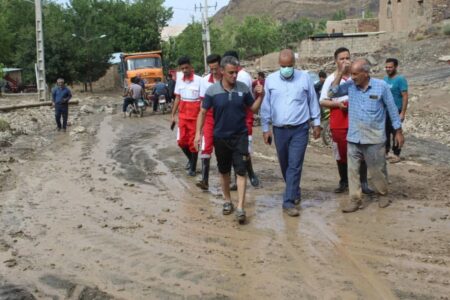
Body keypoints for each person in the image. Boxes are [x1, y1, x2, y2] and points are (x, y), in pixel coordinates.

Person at [194, 55, 264, 224]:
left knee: (241, 171)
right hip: (220, 138)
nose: (234, 76)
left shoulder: (243, 89)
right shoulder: (212, 91)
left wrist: (261, 96)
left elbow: (253, 109)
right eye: (231, 72)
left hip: (240, 136)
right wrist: (198, 134)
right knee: (224, 171)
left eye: (236, 72)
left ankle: (240, 207)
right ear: (222, 72)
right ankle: (227, 201)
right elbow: (203, 112)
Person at [329, 58, 404, 213]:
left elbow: (391, 109)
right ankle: (355, 200)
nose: (353, 77)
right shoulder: (350, 86)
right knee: (353, 171)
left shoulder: (381, 86)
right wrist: (341, 73)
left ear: (366, 73)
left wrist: (398, 131)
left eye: (355, 74)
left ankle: (383, 194)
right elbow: (332, 92)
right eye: (351, 74)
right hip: (354, 137)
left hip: (374, 138)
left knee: (378, 170)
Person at [260, 49, 322, 217]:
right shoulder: (271, 80)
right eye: (283, 66)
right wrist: (265, 128)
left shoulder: (304, 78)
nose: (286, 69)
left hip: (300, 129)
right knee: (285, 165)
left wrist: (316, 123)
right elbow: (266, 106)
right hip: (279, 130)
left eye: (289, 66)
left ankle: (288, 202)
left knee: (295, 164)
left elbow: (312, 101)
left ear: (294, 65)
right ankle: (294, 190)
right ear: (279, 64)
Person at [319, 47, 372, 194]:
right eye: (341, 59)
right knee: (341, 153)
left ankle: (363, 182)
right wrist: (337, 104)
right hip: (339, 121)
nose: (345, 61)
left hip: (358, 120)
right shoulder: (331, 79)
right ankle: (344, 181)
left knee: (361, 152)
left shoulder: (357, 77)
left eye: (347, 58)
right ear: (336, 61)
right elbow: (323, 101)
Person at [223, 50, 260, 188]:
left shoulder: (243, 77)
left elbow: (247, 100)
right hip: (230, 117)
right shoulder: (229, 75)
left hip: (243, 116)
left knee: (243, 149)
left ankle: (249, 173)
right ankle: (243, 176)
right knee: (233, 149)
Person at [171, 56, 202, 177]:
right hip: (183, 117)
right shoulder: (179, 80)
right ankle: (191, 160)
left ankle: (193, 168)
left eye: (186, 67)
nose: (184, 70)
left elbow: (203, 100)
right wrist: (173, 114)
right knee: (181, 142)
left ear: (191, 66)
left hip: (195, 118)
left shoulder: (200, 80)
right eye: (182, 68)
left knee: (193, 143)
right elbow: (177, 98)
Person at [197, 54, 222, 190]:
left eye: (216, 68)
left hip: (224, 117)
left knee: (223, 147)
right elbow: (202, 105)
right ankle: (204, 180)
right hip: (209, 116)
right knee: (206, 146)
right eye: (211, 69)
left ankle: (229, 177)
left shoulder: (227, 78)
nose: (213, 71)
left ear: (221, 66)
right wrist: (198, 130)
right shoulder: (205, 81)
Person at [384, 58, 408, 163]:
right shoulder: (385, 79)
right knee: (385, 132)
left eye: (390, 67)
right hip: (385, 111)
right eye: (387, 67)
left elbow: (405, 96)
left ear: (395, 67)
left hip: (396, 110)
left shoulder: (400, 79)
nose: (388, 69)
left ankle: (396, 154)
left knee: (396, 132)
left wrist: (402, 112)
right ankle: (386, 152)